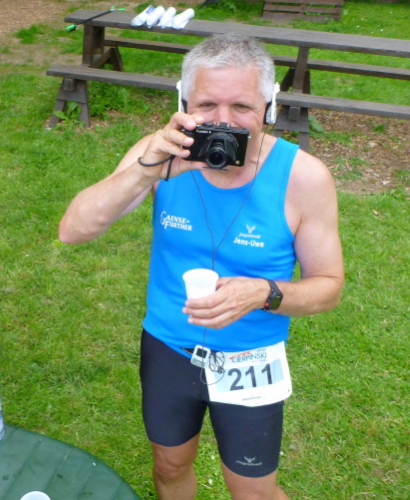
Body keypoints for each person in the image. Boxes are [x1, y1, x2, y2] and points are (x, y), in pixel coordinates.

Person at [59, 34, 344, 500]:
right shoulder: (158, 155)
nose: (223, 120)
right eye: (207, 104)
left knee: (253, 492)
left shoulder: (303, 177)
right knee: (170, 466)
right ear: (183, 104)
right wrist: (147, 170)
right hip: (169, 346)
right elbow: (73, 230)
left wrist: (265, 293)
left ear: (269, 107)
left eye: (242, 107)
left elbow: (328, 287)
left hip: (250, 358)